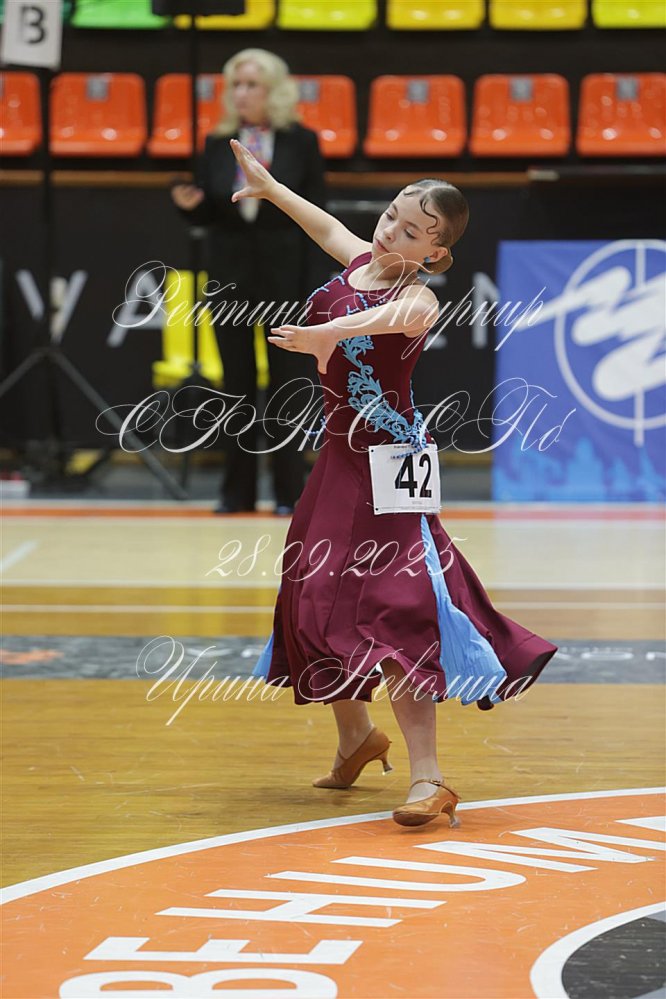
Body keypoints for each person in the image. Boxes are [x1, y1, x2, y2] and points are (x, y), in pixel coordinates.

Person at [229, 139, 558, 828]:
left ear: (435, 253)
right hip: (339, 462)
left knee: (400, 608)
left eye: (412, 232)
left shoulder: (418, 299)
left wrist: (328, 333)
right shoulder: (361, 261)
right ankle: (356, 737)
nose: (390, 234)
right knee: (312, 596)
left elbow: (379, 320)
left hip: (391, 467)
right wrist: (270, 188)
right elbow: (326, 226)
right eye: (390, 218)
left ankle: (429, 778)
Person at [171, 49, 328, 515]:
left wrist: (313, 290)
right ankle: (235, 492)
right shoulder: (216, 142)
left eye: (251, 84)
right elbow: (211, 212)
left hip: (286, 281)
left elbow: (318, 216)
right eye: (235, 84)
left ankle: (290, 493)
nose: (241, 93)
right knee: (235, 386)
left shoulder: (302, 142)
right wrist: (190, 206)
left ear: (273, 90)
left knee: (287, 386)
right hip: (230, 281)